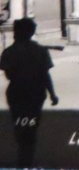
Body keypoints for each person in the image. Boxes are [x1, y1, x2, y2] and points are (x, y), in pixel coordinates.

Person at [0, 18, 59, 168]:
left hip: (16, 94)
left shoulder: (9, 52)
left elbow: (8, 74)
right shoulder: (40, 51)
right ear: (32, 32)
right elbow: (45, 75)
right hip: (35, 94)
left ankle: (24, 159)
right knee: (31, 128)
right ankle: (26, 161)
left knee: (20, 126)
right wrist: (52, 94)